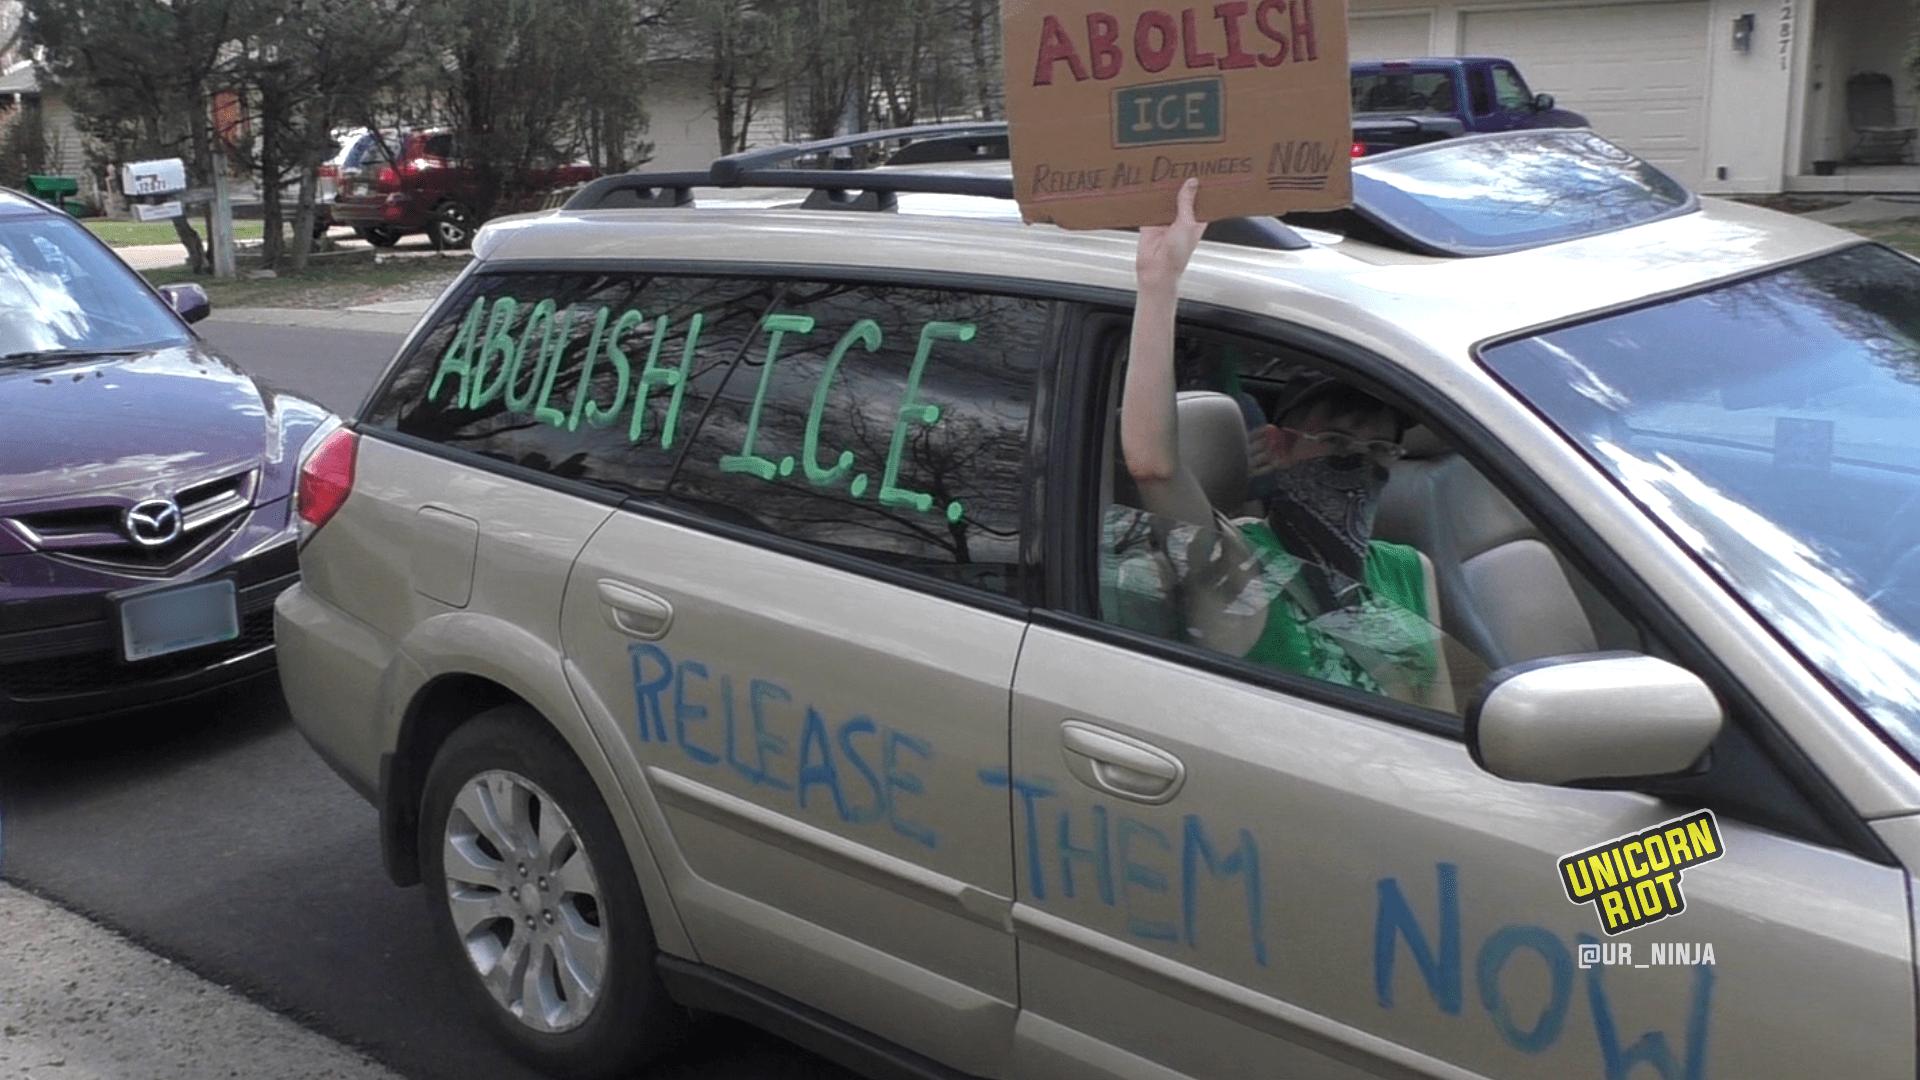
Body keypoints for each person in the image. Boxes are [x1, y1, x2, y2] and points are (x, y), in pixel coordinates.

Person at [1122, 178, 1444, 706]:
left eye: (1376, 452)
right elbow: (1153, 466)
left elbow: (1440, 713)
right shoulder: (1238, 564)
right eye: (1336, 443)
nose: (1356, 467)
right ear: (1278, 448)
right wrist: (1158, 284)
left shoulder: (1409, 571)